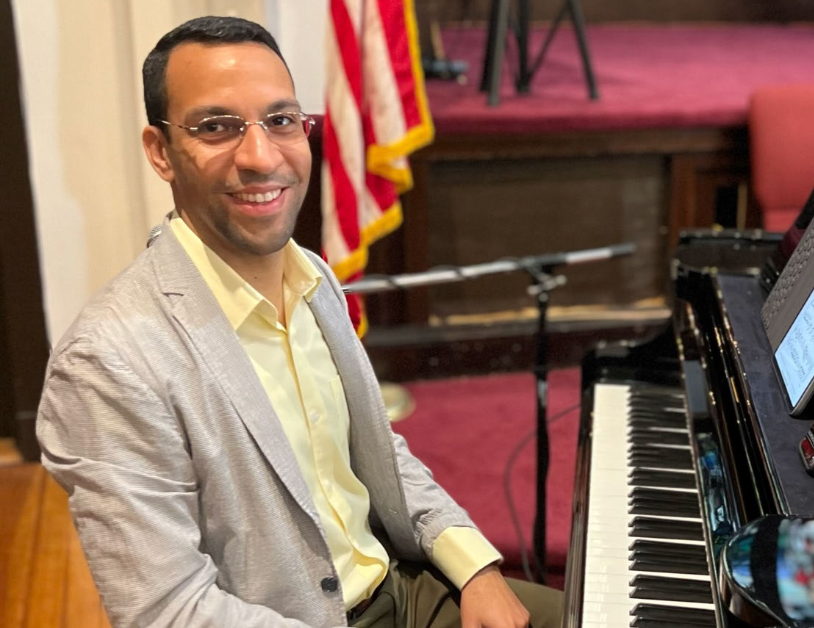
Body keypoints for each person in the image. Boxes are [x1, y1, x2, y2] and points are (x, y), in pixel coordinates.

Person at [36, 16, 561, 628]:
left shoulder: (311, 274)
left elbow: (376, 453)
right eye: (216, 127)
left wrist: (474, 567)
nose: (261, 156)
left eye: (281, 121)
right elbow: (167, 610)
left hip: (395, 587)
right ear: (161, 152)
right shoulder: (108, 360)